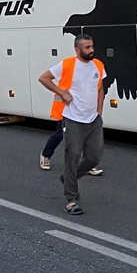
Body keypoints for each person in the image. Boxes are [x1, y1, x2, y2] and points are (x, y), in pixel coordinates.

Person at [38, 34, 105, 216]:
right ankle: (71, 199)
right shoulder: (67, 65)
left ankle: (68, 179)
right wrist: (61, 92)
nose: (91, 50)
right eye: (87, 47)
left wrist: (99, 112)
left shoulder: (98, 65)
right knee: (73, 156)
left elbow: (100, 88)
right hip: (73, 119)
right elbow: (44, 78)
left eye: (92, 46)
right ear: (77, 50)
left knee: (93, 158)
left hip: (93, 120)